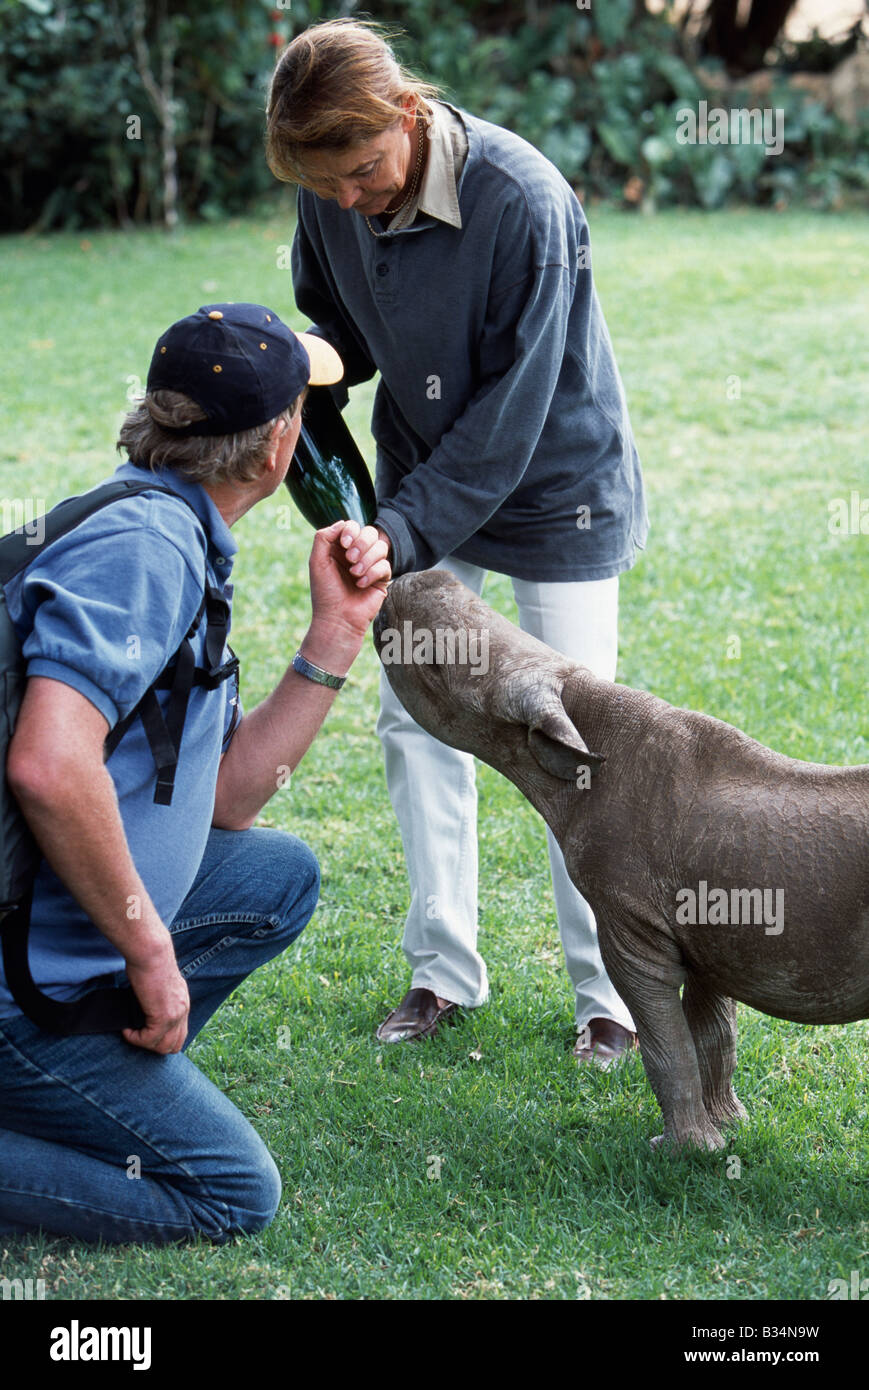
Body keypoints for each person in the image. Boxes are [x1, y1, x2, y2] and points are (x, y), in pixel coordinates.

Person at [266, 19, 649, 1063]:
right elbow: (338, 332)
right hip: (422, 482)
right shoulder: (332, 186)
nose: (348, 199)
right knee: (414, 720)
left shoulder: (523, 200)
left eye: (360, 171)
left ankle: (608, 995)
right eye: (325, 185)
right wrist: (288, 357)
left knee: (574, 743)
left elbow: (510, 416)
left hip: (552, 482)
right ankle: (443, 973)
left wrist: (397, 531)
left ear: (405, 114)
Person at [0, 302, 390, 1245]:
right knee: (231, 1195)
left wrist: (334, 631)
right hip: (24, 979)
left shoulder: (161, 520)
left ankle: (90, 1090)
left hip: (52, 930)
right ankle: (54, 1079)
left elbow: (225, 798)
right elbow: (50, 767)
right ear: (276, 447)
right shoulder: (145, 551)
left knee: (273, 874)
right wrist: (149, 952)